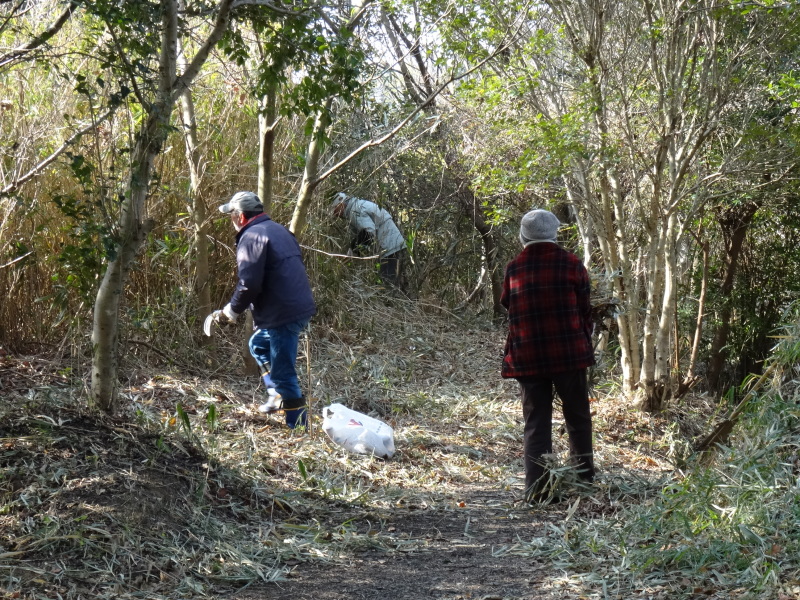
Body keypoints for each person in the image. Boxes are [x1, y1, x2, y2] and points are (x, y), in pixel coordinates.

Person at [500, 209, 595, 503]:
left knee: (536, 422)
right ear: (554, 234)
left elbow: (507, 304)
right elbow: (586, 307)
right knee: (578, 416)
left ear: (523, 235)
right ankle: (583, 484)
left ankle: (538, 490)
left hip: (529, 357)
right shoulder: (572, 263)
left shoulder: (514, 268)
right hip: (570, 355)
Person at [209, 191, 316, 429]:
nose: (231, 221)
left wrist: (232, 310)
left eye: (231, 215)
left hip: (283, 313)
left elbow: (249, 283)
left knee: (284, 373)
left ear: (240, 216)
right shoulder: (279, 230)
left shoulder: (251, 237)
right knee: (257, 344)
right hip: (296, 306)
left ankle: (297, 428)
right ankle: (277, 395)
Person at [331, 192, 406, 290]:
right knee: (398, 282)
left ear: (341, 205)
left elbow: (369, 231)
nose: (335, 214)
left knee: (388, 284)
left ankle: (391, 304)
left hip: (390, 247)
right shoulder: (357, 205)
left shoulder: (355, 210)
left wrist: (354, 250)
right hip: (394, 244)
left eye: (335, 210)